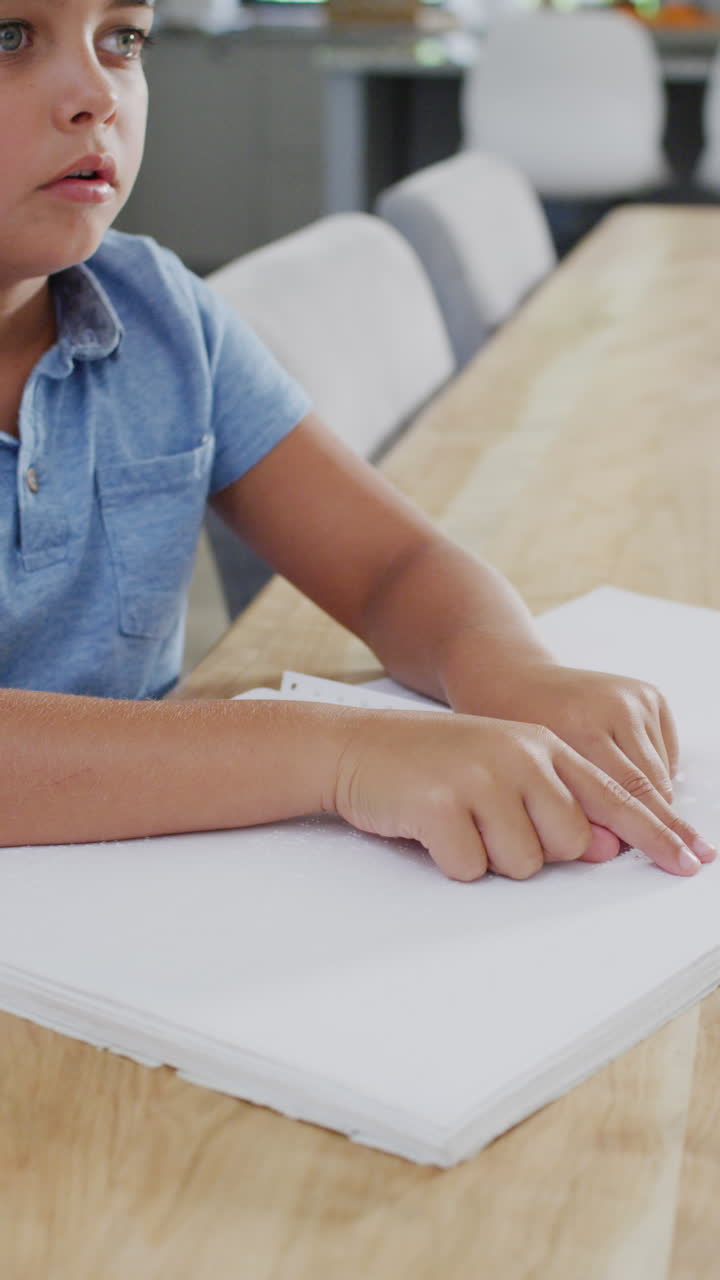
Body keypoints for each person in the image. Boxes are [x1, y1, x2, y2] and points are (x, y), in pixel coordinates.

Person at [0, 0, 715, 884]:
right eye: (9, 37)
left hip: (134, 899)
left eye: (123, 39)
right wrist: (340, 753)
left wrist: (507, 670)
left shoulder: (162, 314)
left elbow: (391, 568)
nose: (96, 95)